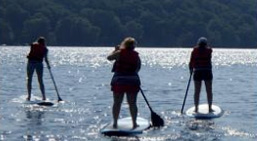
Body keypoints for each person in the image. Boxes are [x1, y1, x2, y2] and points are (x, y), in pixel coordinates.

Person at [107, 37, 141, 129]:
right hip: (133, 81)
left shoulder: (119, 53)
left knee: (117, 102)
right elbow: (137, 69)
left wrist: (115, 50)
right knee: (132, 103)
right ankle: (134, 123)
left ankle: (115, 123)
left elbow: (109, 58)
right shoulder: (136, 56)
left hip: (119, 81)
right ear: (134, 46)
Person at [189, 37, 214, 113]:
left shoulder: (194, 51)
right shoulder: (209, 51)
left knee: (197, 91)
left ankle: (196, 108)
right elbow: (209, 49)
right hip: (207, 71)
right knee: (209, 90)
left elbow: (191, 62)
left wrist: (190, 71)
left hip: (197, 72)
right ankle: (209, 108)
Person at [26, 36, 50, 101]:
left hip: (31, 63)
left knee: (29, 79)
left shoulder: (33, 45)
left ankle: (29, 96)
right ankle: (44, 96)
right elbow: (46, 59)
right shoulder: (45, 49)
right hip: (39, 63)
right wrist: (48, 66)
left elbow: (31, 44)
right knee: (40, 80)